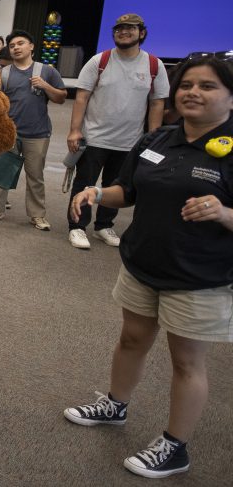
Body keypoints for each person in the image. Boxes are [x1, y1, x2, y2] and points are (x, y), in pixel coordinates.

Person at [63, 55, 233, 479]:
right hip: (143, 263)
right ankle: (115, 405)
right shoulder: (157, 140)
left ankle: (176, 447)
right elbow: (129, 192)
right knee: (132, 338)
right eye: (186, 84)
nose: (193, 92)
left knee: (186, 362)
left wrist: (223, 212)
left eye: (208, 86)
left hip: (199, 276)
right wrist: (97, 194)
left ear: (231, 96)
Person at [66, 13, 170, 249]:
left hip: (130, 142)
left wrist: (153, 137)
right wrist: (74, 130)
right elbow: (82, 97)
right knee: (84, 183)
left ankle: (103, 226)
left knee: (117, 186)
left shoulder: (154, 65)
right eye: (119, 29)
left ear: (141, 33)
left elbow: (157, 103)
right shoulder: (99, 61)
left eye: (130, 28)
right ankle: (77, 227)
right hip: (94, 138)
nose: (123, 32)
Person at [0, 30, 67, 230]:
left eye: (21, 43)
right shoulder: (4, 73)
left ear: (31, 46)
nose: (16, 48)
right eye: (12, 46)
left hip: (38, 134)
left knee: (35, 175)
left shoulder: (46, 71)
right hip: (9, 132)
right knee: (2, 172)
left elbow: (61, 98)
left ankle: (37, 215)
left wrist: (46, 86)